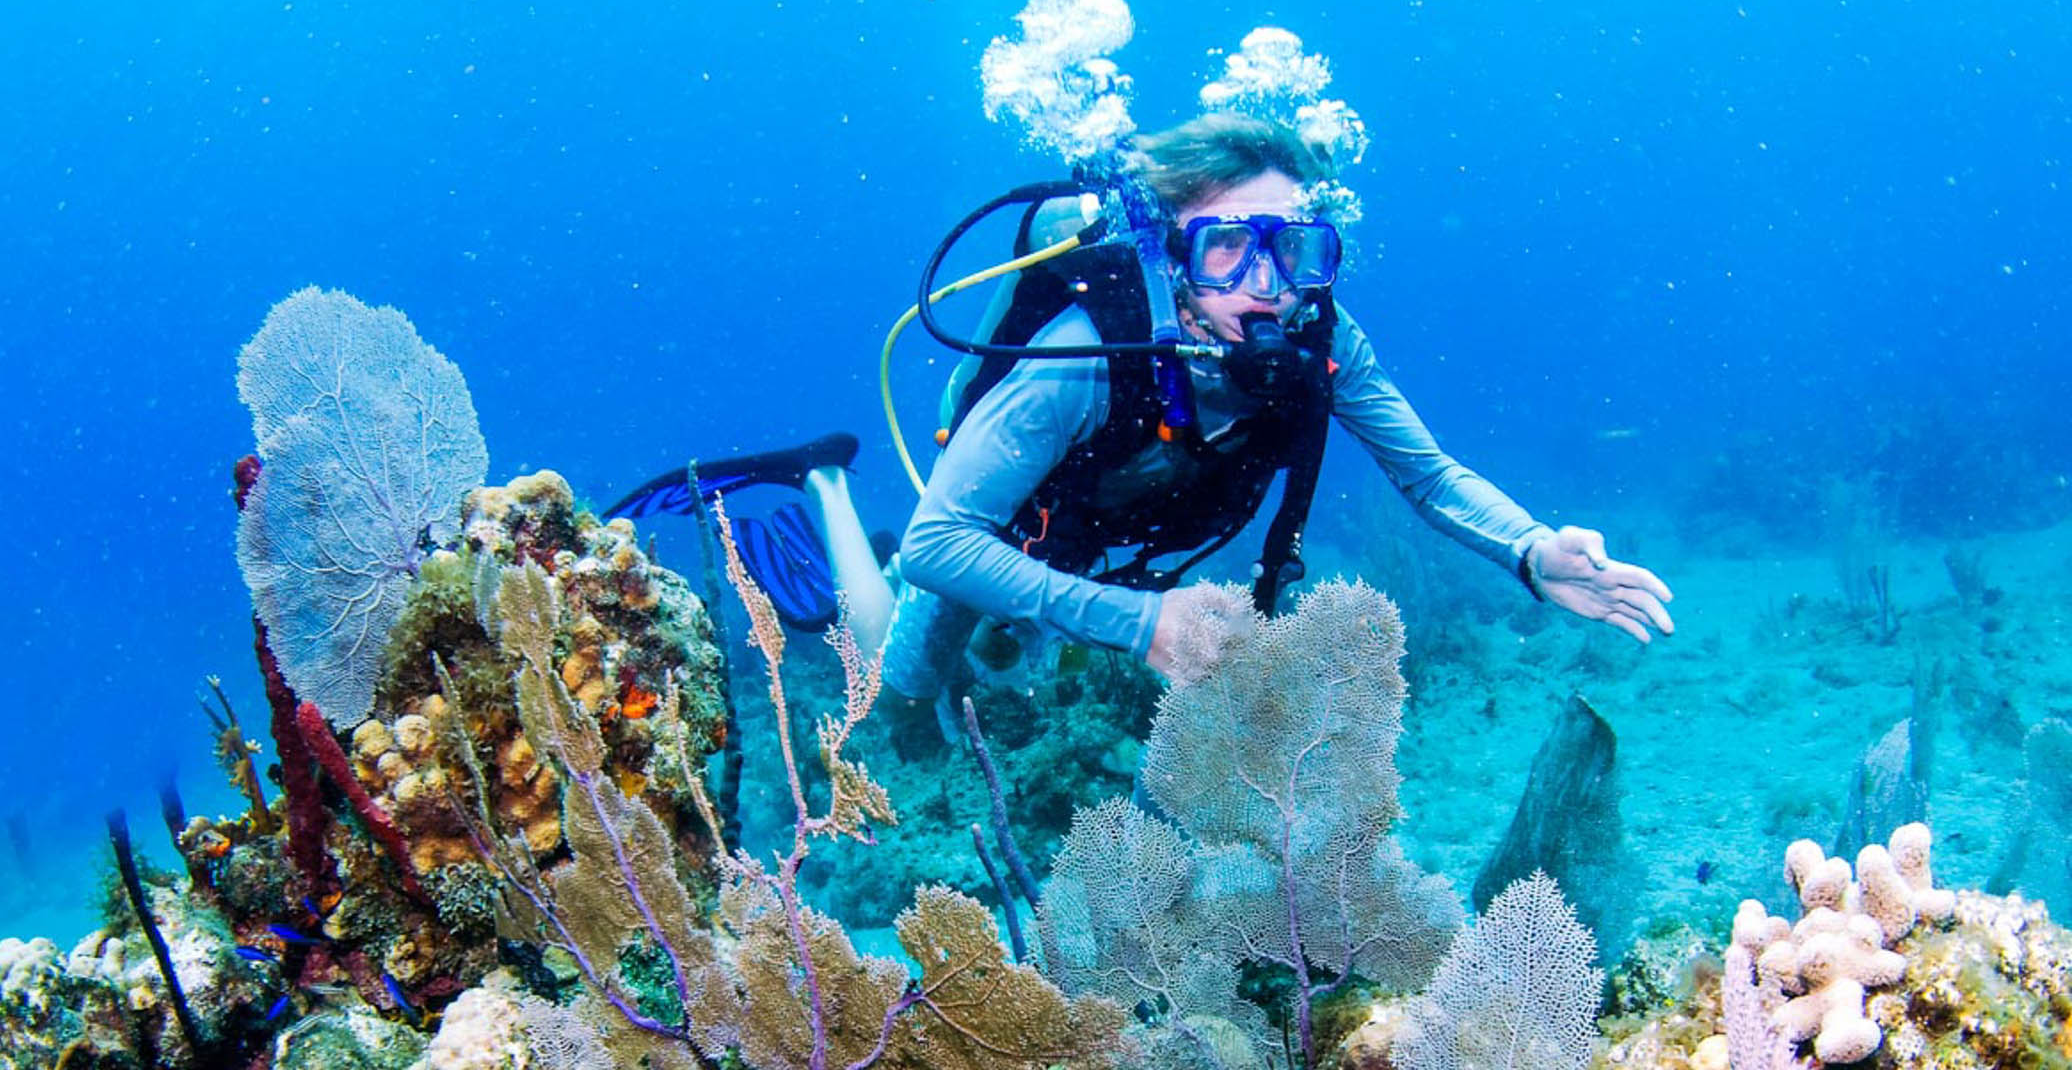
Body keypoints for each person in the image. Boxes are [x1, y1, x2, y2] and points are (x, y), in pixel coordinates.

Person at [629, 112, 1673, 713]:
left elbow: (1430, 474)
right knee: (902, 691)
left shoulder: (1321, 337)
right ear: (1176, 253)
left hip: (1112, 538)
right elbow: (951, 539)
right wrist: (1142, 624)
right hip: (1004, 522)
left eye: (1293, 250)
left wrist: (1532, 552)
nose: (1266, 284)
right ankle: (822, 476)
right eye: (1228, 247)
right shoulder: (1087, 355)